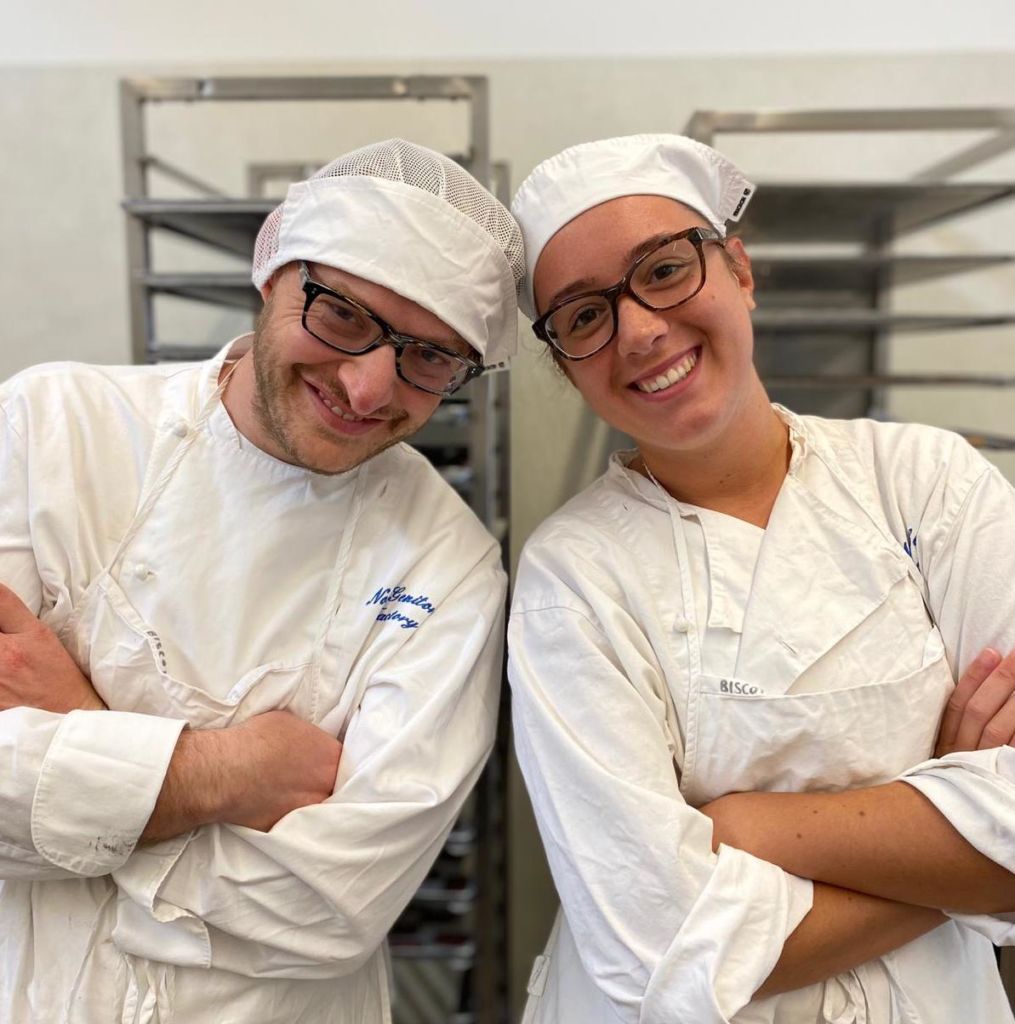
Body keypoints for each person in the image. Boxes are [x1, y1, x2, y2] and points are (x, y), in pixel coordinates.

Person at [0, 139, 523, 1024]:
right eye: (343, 316)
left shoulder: (448, 563)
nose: (369, 388)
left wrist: (79, 737)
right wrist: (221, 774)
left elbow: (330, 907)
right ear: (272, 270)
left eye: (432, 358)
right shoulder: (51, 426)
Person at [507, 133, 1015, 1023]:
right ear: (565, 364)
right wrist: (962, 864)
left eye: (664, 271)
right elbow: (654, 944)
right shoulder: (572, 578)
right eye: (583, 317)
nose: (639, 329)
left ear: (738, 270)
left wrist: (745, 827)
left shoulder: (925, 481)